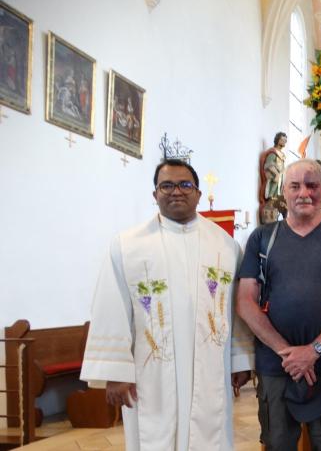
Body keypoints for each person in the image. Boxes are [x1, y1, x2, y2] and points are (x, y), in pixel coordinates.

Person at [80, 159, 254, 450]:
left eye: (185, 185)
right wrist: (115, 373)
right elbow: (111, 308)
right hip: (151, 373)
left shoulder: (225, 245)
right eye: (167, 185)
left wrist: (239, 360)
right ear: (155, 194)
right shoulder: (127, 245)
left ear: (198, 193)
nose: (177, 192)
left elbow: (236, 308)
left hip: (211, 366)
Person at [236, 159, 321, 451]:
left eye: (312, 185)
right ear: (284, 191)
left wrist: (313, 350)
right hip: (276, 363)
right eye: (295, 186)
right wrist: (290, 353)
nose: (304, 193)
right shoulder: (262, 238)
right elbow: (245, 303)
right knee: (277, 441)